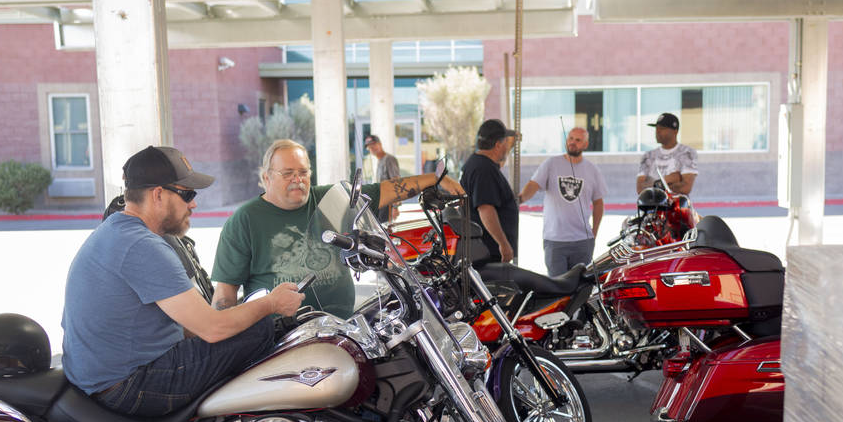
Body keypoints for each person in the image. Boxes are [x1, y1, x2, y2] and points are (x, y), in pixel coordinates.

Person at [61, 145, 304, 417]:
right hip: (127, 386)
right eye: (187, 194)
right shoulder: (143, 246)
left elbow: (193, 324)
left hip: (101, 379)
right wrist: (271, 303)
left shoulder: (115, 230)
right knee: (260, 329)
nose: (194, 203)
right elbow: (213, 329)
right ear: (158, 195)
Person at [211, 138, 464, 314]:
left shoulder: (329, 199)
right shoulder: (244, 220)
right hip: (281, 341)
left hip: (341, 329)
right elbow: (224, 295)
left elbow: (386, 190)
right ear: (266, 178)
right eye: (287, 173)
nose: (297, 180)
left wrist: (435, 178)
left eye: (303, 172)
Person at [518, 127, 608, 275]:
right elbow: (533, 185)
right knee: (556, 289)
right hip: (555, 240)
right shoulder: (551, 164)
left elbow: (598, 203)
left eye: (578, 140)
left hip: (582, 241)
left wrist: (594, 233)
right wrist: (520, 198)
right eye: (570, 139)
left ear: (585, 144)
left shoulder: (592, 170)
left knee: (580, 289)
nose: (573, 143)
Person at [460, 119, 520, 264]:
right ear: (498, 145)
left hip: (484, 248)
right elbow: (485, 209)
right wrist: (503, 244)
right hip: (489, 251)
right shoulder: (483, 169)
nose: (507, 146)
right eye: (506, 142)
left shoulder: (479, 163)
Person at [636, 112, 698, 196]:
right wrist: (669, 179)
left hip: (676, 207)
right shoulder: (648, 156)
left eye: (662, 128)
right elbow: (640, 189)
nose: (657, 132)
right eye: (656, 128)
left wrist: (651, 183)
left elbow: (685, 188)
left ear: (675, 131)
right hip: (651, 206)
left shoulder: (686, 153)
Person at [364, 134, 401, 223]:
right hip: (380, 205)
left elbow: (396, 182)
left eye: (374, 145)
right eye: (369, 147)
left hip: (388, 205)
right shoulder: (380, 161)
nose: (372, 148)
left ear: (380, 144)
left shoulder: (389, 159)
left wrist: (395, 207)